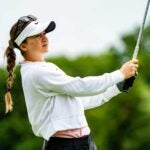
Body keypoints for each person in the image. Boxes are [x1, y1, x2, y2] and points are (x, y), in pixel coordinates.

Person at [4, 15, 138, 150]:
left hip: (85, 142)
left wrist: (116, 88)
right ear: (23, 46)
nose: (44, 37)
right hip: (64, 146)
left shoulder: (45, 68)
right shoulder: (36, 73)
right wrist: (120, 74)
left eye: (44, 33)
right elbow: (81, 86)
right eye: (37, 35)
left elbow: (79, 102)